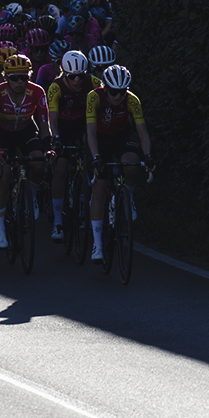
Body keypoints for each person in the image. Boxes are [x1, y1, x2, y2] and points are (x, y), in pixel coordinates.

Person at [0, 53, 53, 249]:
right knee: (5, 173)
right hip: (3, 134)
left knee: (38, 162)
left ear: (29, 77)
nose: (19, 82)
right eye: (14, 77)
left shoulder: (38, 92)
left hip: (26, 131)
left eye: (23, 77)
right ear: (6, 78)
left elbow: (44, 126)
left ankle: (30, 197)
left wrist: (48, 148)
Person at [86, 65, 153, 262]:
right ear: (105, 88)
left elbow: (142, 131)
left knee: (132, 163)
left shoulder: (132, 100)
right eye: (114, 92)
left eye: (122, 92)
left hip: (122, 136)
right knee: (99, 188)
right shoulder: (94, 97)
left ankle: (128, 197)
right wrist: (96, 156)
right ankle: (97, 245)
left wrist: (148, 155)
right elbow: (90, 131)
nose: (118, 96)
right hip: (99, 138)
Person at [47, 50, 101, 241]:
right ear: (64, 73)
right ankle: (57, 222)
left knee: (91, 151)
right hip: (63, 125)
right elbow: (52, 120)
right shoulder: (56, 87)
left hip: (84, 124)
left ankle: (88, 192)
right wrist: (57, 139)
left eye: (81, 75)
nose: (77, 80)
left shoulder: (94, 82)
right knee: (61, 169)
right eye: (72, 77)